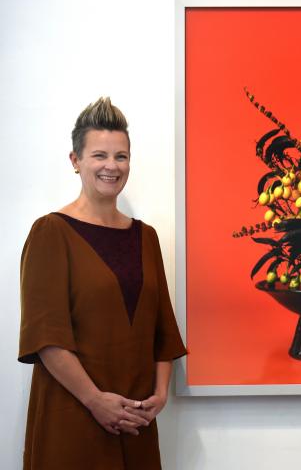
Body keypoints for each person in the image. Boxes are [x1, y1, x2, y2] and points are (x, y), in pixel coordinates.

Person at [18, 97, 186, 469]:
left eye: (121, 156)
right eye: (99, 155)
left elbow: (163, 331)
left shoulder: (146, 237)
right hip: (74, 417)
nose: (112, 166)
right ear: (75, 161)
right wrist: (96, 400)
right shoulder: (50, 232)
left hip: (135, 421)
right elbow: (46, 338)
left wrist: (159, 396)